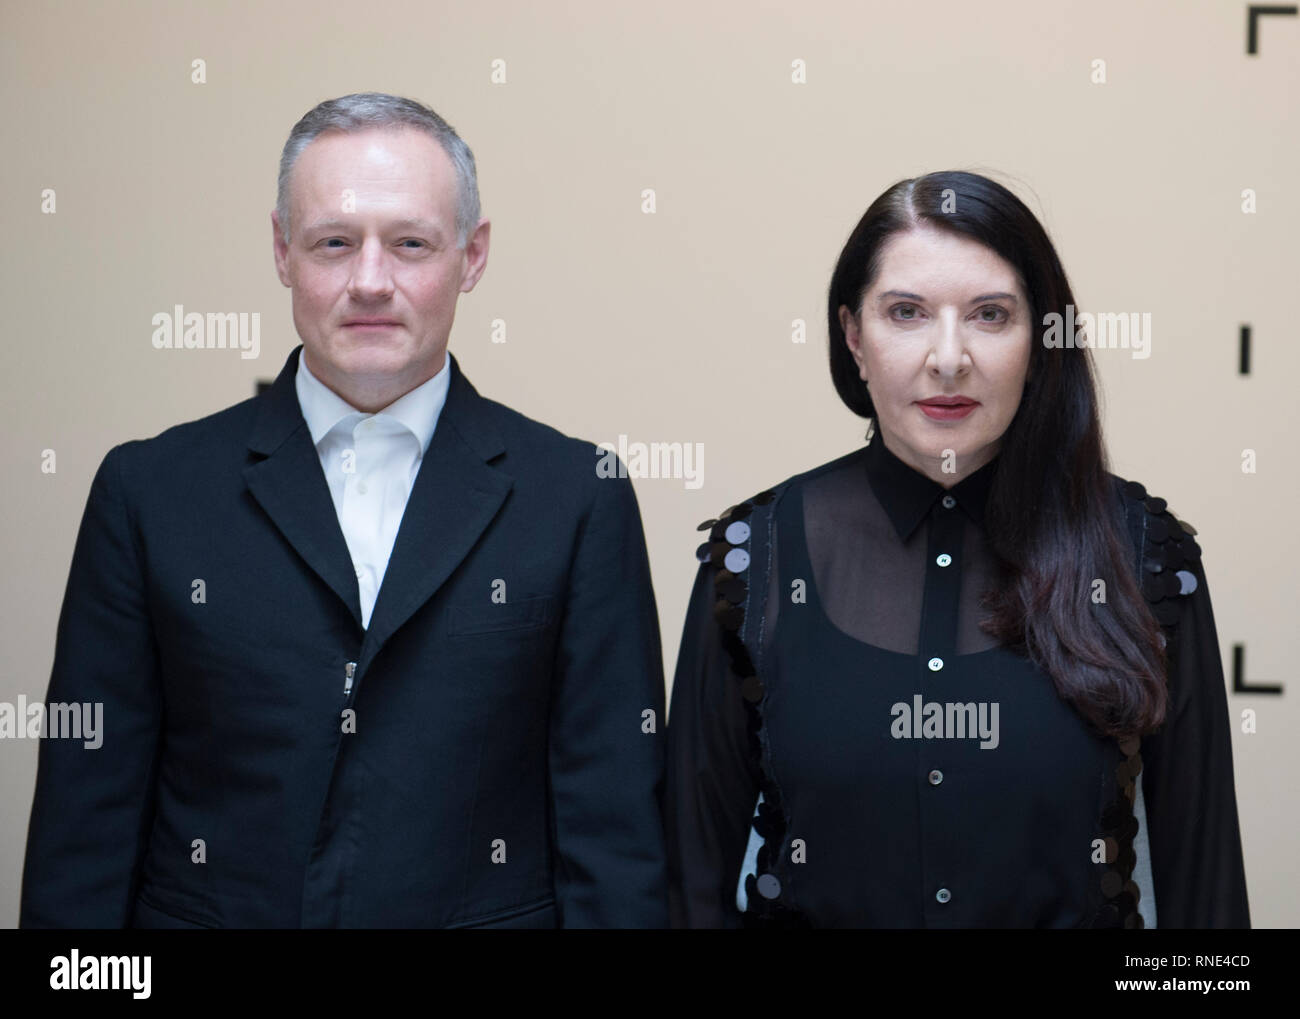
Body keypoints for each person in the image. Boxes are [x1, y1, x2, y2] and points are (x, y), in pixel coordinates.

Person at [20, 92, 668, 928]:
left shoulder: (579, 495)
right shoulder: (148, 491)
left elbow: (613, 838)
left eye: (409, 244)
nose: (370, 281)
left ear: (472, 256)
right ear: (282, 252)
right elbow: (86, 828)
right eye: (334, 243)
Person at [665, 170, 1250, 929]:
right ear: (854, 336)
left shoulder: (1146, 556)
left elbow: (1208, 908)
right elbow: (685, 892)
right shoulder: (756, 561)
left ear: (1041, 340)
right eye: (905, 313)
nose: (949, 358)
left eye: (989, 315)